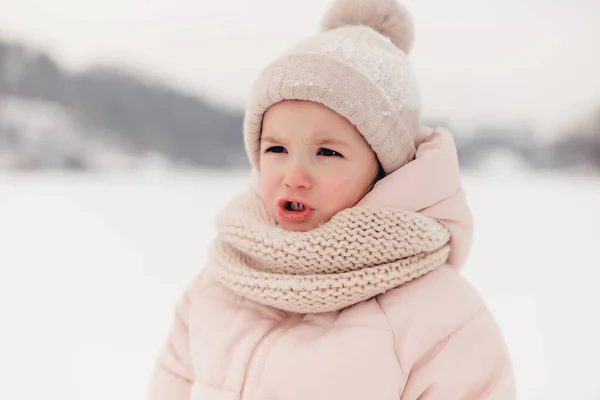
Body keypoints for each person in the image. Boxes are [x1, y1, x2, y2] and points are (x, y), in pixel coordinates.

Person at [148, 0, 516, 398]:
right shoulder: (221, 280)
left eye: (327, 153)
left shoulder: (438, 315)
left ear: (384, 169)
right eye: (276, 150)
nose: (295, 177)